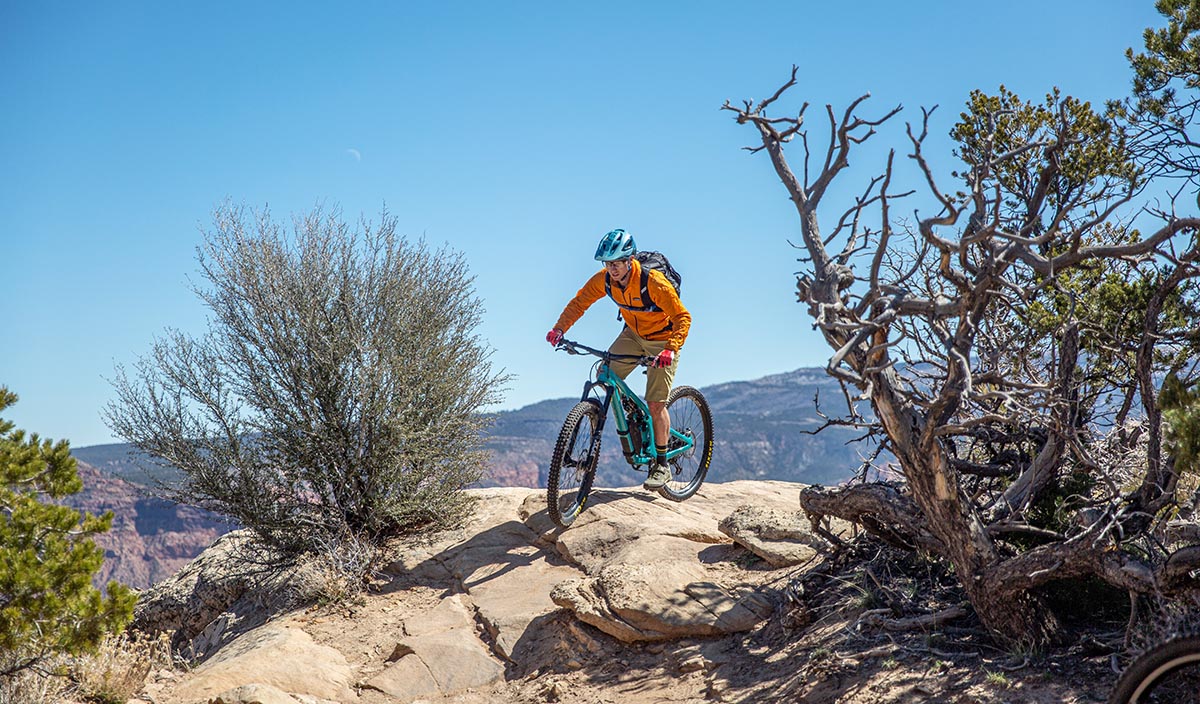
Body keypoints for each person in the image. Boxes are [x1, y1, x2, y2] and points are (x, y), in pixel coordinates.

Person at [546, 228, 691, 490]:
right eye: (608, 263)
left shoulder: (654, 283)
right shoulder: (604, 280)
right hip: (633, 335)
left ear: (629, 260)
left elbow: (683, 317)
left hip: (662, 341)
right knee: (605, 373)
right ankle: (632, 413)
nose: (612, 269)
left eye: (616, 263)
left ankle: (661, 464)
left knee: (656, 403)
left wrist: (670, 349)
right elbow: (580, 303)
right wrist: (559, 329)